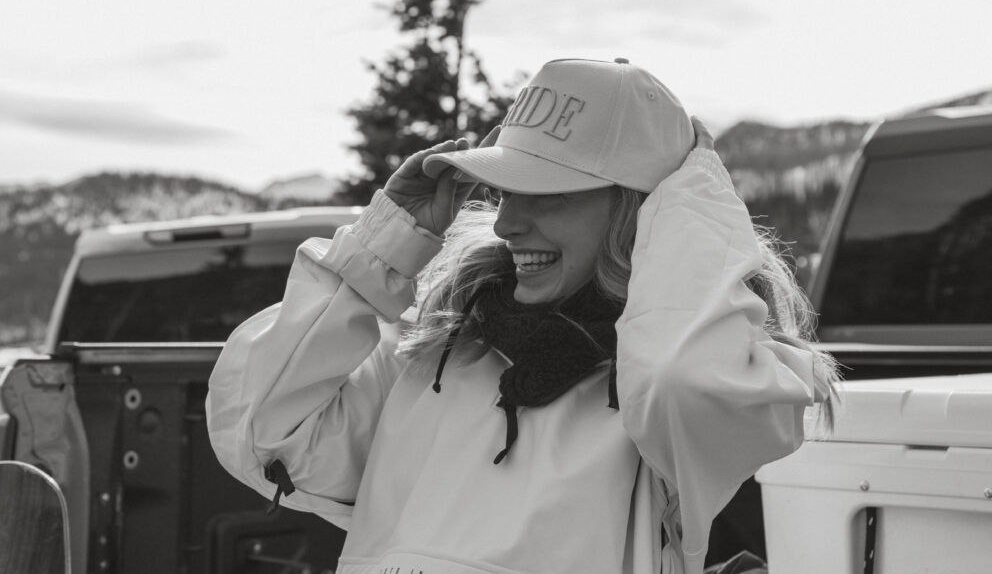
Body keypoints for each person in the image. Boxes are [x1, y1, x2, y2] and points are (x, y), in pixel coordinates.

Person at [206, 58, 839, 574]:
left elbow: (680, 376)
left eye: (548, 195)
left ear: (641, 216)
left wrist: (694, 187)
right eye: (506, 191)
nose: (506, 222)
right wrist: (379, 249)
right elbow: (262, 428)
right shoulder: (438, 348)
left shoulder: (686, 401)